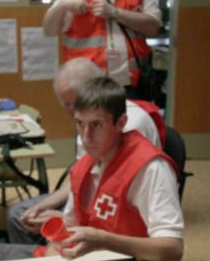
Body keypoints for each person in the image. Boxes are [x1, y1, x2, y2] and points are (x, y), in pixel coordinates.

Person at [0, 77, 182, 261]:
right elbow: (74, 227)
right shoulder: (86, 163)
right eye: (80, 124)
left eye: (97, 125)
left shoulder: (149, 168)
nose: (86, 136)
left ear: (121, 123)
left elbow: (172, 249)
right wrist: (53, 225)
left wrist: (103, 239)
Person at [8, 57, 163, 244]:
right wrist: (50, 208)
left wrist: (65, 221)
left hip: (115, 212)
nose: (73, 112)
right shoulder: (89, 121)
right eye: (67, 105)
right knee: (23, 215)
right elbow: (81, 177)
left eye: (75, 103)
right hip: (93, 204)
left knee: (20, 216)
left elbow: (114, 198)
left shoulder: (129, 125)